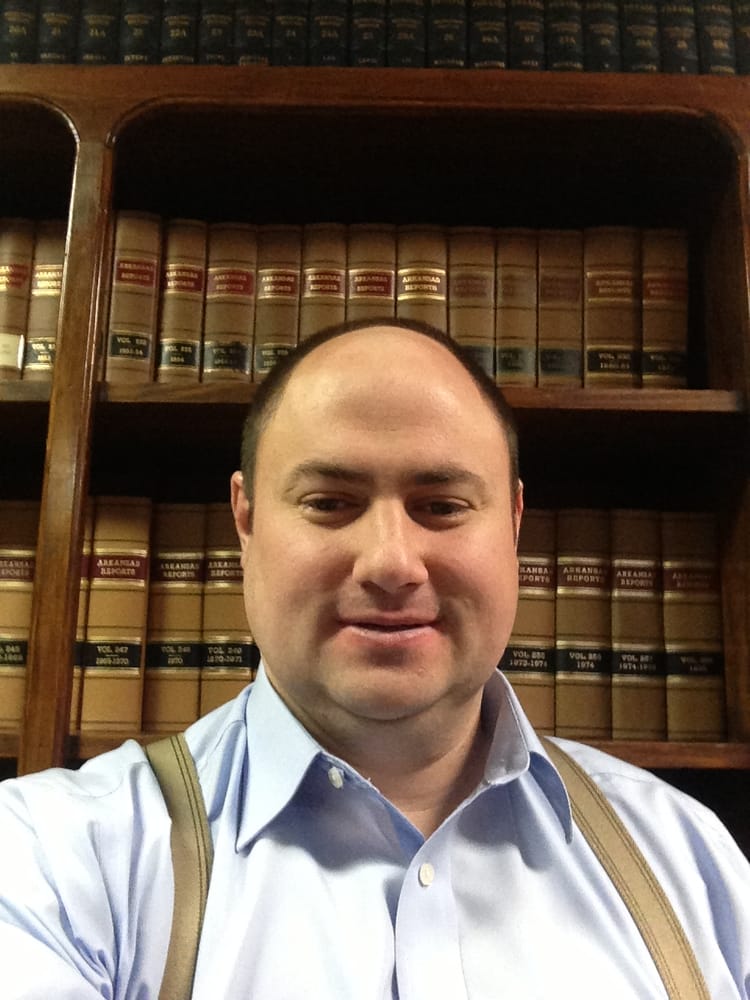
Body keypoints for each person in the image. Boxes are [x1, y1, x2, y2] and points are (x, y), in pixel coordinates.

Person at [1, 318, 749, 999]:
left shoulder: (689, 860)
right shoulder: (54, 863)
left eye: (442, 506)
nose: (391, 563)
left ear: (515, 524)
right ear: (245, 520)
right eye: (330, 503)